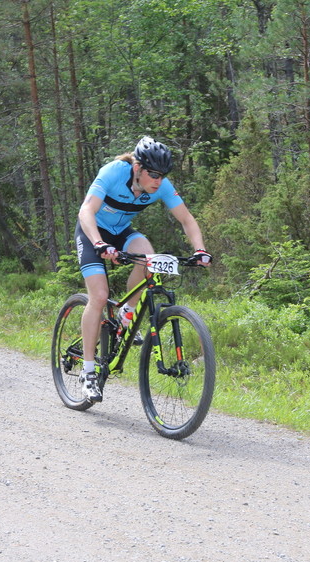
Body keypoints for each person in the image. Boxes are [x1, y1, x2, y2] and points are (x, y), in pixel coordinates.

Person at [75, 136, 211, 402]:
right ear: (137, 168)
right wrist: (99, 243)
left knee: (149, 257)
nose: (158, 181)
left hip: (121, 232)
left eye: (163, 175)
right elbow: (86, 211)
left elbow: (187, 219)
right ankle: (88, 371)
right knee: (99, 296)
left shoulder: (162, 186)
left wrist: (200, 250)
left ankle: (127, 314)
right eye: (154, 174)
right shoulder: (114, 172)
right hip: (92, 233)